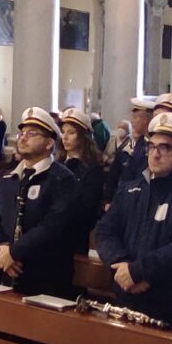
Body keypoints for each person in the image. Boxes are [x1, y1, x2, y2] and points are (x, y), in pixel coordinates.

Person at [95, 112, 172, 328]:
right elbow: (105, 230)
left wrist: (138, 271)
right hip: (126, 296)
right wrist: (122, 265)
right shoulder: (131, 189)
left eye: (164, 148)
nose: (155, 154)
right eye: (151, 147)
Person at [0, 107, 78, 297]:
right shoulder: (9, 178)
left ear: (49, 143)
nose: (23, 138)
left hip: (46, 276)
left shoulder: (62, 179)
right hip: (8, 269)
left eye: (32, 133)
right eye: (22, 133)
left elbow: (52, 225)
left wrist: (14, 252)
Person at [58, 108, 105, 253]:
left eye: (71, 132)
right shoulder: (57, 163)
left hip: (74, 236)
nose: (65, 137)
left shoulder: (92, 168)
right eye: (63, 132)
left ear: (83, 136)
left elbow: (88, 209)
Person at [104, 96, 156, 200]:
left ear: (146, 120)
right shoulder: (139, 143)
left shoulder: (151, 145)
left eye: (135, 117)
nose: (132, 121)